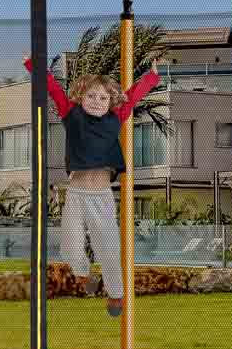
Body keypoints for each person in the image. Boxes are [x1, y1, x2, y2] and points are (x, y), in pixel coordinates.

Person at [25, 57, 160, 316]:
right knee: (70, 246)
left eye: (102, 98)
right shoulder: (70, 113)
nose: (96, 101)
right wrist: (34, 65)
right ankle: (83, 272)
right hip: (75, 194)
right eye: (91, 96)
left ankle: (116, 294)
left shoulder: (115, 117)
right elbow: (52, 87)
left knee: (108, 248)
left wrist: (151, 77)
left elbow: (133, 96)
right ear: (80, 97)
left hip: (101, 196)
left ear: (110, 102)